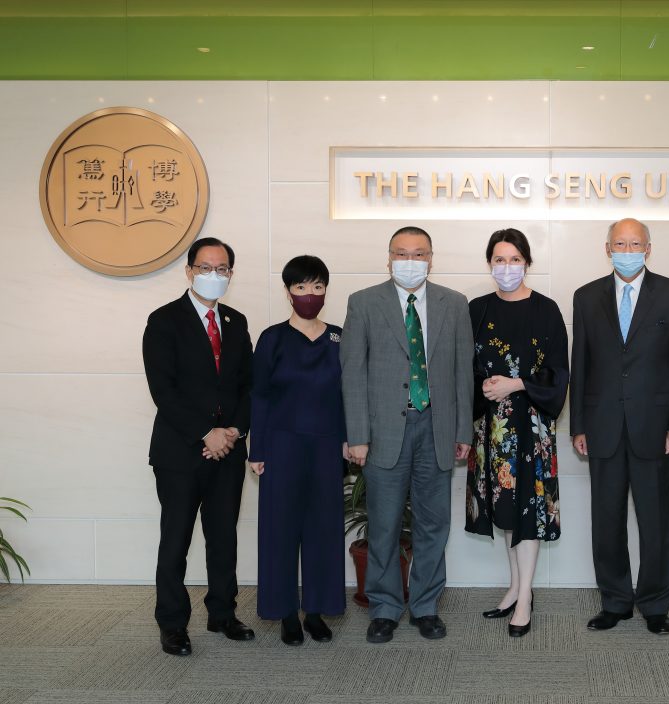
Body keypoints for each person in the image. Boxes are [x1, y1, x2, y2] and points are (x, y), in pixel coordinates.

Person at [340, 225, 474, 644]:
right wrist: (358, 435)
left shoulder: (454, 304)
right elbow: (353, 374)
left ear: (432, 258)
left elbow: (461, 372)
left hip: (435, 427)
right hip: (384, 434)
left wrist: (462, 429)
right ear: (389, 258)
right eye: (402, 254)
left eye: (419, 254)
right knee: (383, 524)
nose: (410, 262)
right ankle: (384, 607)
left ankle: (426, 606)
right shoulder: (363, 303)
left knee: (434, 524)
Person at [570, 218, 669, 636]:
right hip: (602, 425)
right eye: (619, 243)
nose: (627, 250)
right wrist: (578, 425)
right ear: (607, 248)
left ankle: (656, 603)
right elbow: (580, 364)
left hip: (656, 428)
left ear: (648, 248)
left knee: (656, 520)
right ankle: (615, 601)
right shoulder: (586, 297)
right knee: (605, 519)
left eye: (635, 243)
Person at [142, 237, 255, 656]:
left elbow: (249, 386)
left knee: (224, 537)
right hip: (179, 452)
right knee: (176, 539)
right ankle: (172, 623)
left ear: (230, 273)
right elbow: (162, 389)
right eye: (205, 267)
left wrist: (233, 432)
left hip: (228, 449)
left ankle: (223, 613)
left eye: (222, 268)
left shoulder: (238, 321)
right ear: (189, 271)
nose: (214, 275)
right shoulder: (164, 320)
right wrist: (203, 433)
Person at [466, 228, 569, 638]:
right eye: (498, 259)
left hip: (531, 427)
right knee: (504, 508)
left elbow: (559, 371)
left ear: (527, 262)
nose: (506, 267)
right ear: (489, 262)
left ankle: (525, 596)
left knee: (528, 509)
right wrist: (485, 387)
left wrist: (517, 384)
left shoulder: (546, 309)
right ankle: (514, 587)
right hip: (490, 429)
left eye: (514, 259)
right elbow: (464, 367)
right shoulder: (477, 309)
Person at [249, 255, 347, 645]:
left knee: (323, 529)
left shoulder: (341, 337)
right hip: (281, 446)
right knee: (280, 530)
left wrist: (349, 440)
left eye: (318, 287)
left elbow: (349, 395)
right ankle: (285, 611)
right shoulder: (271, 338)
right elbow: (259, 395)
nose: (310, 295)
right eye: (302, 287)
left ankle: (316, 611)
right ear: (288, 292)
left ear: (326, 290)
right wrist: (258, 450)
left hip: (327, 447)